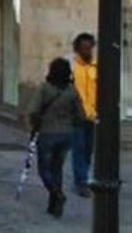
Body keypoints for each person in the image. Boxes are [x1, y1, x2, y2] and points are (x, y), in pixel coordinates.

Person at [27, 57, 82, 219]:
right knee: (57, 168)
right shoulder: (72, 90)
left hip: (48, 133)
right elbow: (80, 114)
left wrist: (34, 126)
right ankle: (54, 205)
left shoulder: (45, 88)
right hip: (66, 135)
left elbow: (33, 110)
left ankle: (56, 193)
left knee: (44, 170)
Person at [70, 32, 97, 198]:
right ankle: (81, 181)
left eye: (89, 47)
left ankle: (84, 176)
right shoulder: (73, 67)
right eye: (83, 48)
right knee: (78, 149)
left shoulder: (96, 67)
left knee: (88, 150)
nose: (87, 51)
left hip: (92, 116)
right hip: (76, 116)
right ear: (78, 49)